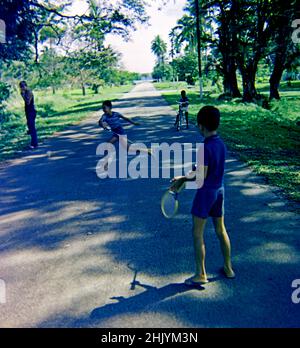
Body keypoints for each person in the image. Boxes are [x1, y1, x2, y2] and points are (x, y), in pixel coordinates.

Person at [171, 106, 235, 285]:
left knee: (197, 233)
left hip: (206, 194)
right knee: (221, 230)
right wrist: (186, 176)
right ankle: (228, 268)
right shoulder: (221, 144)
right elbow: (203, 169)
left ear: (200, 126)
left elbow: (201, 175)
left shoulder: (204, 148)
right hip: (219, 191)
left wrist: (182, 179)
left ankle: (200, 274)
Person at [98, 100, 152, 166]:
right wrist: (103, 126)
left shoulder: (116, 114)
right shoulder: (104, 116)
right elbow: (100, 122)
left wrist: (133, 123)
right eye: (102, 108)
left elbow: (125, 118)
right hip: (115, 133)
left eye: (104, 108)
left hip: (120, 133)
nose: (103, 110)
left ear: (110, 107)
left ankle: (147, 150)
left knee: (128, 149)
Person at [19, 81, 38, 149]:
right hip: (28, 111)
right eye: (21, 87)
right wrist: (22, 94)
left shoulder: (29, 92)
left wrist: (23, 95)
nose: (22, 88)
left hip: (31, 111)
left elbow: (28, 102)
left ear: (26, 86)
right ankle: (33, 142)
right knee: (30, 127)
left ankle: (34, 144)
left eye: (23, 87)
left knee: (32, 128)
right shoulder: (23, 92)